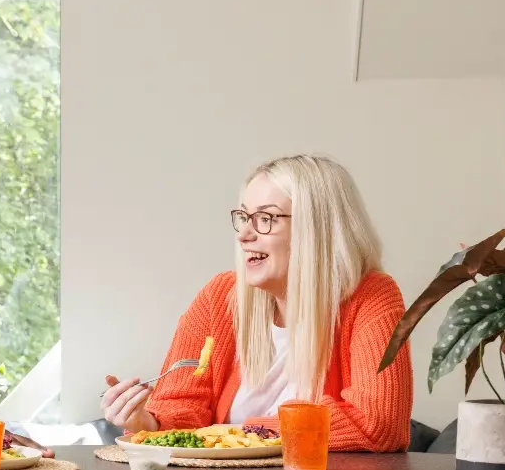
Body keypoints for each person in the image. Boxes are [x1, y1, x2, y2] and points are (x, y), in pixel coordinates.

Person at [100, 154, 413, 452]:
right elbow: (181, 403)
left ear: (316, 230)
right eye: (244, 218)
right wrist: (148, 421)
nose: (244, 235)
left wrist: (245, 434)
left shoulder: (373, 296)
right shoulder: (219, 297)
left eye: (266, 218)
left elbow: (379, 424)